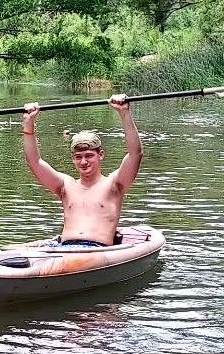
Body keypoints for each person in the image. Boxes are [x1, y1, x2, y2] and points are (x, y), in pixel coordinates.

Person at [21, 94, 142, 247]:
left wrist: (124, 113)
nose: (83, 162)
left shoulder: (114, 184)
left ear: (101, 155)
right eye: (78, 157)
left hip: (97, 250)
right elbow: (34, 162)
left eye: (89, 156)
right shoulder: (65, 186)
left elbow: (135, 154)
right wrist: (29, 123)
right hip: (65, 249)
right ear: (73, 159)